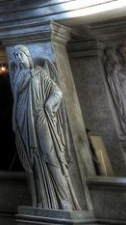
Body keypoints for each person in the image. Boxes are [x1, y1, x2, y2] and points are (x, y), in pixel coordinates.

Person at [9, 45, 80, 211]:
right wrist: (15, 121)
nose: (19, 58)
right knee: (33, 159)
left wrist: (49, 103)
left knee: (49, 154)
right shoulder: (18, 76)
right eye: (16, 56)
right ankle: (44, 200)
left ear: (28, 55)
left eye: (21, 54)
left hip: (41, 116)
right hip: (24, 119)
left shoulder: (40, 73)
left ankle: (64, 199)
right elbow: (16, 100)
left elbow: (57, 92)